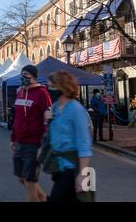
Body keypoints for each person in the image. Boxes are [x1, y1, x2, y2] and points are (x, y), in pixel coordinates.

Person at [44, 71, 93, 202]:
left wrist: (83, 175)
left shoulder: (76, 109)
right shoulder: (55, 108)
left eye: (51, 87)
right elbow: (51, 138)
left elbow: (84, 144)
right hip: (59, 166)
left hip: (72, 167)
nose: (49, 90)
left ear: (62, 87)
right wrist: (47, 122)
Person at [11, 65, 51, 202]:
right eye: (22, 74)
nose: (23, 77)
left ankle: (39, 197)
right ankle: (43, 197)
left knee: (30, 181)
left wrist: (43, 145)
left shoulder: (42, 93)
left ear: (34, 77)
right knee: (22, 178)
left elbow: (47, 120)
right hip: (19, 142)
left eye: (26, 74)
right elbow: (17, 117)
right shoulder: (20, 92)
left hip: (33, 143)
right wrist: (13, 138)